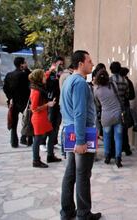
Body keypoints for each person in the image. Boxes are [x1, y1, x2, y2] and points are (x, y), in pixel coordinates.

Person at [59, 50, 101, 220]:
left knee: (71, 172)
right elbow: (80, 113)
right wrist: (81, 140)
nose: (92, 64)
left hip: (70, 130)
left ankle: (67, 211)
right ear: (81, 63)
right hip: (80, 133)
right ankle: (83, 213)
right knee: (82, 175)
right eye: (89, 61)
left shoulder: (69, 80)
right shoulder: (80, 83)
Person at [28, 69, 62, 168]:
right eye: (43, 76)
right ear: (39, 78)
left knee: (51, 134)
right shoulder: (36, 91)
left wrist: (51, 69)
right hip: (39, 118)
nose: (45, 78)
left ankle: (50, 156)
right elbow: (34, 108)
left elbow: (47, 75)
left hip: (43, 118)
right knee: (37, 140)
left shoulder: (38, 87)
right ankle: (36, 160)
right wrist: (48, 104)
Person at [93, 69, 123, 168]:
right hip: (117, 114)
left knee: (106, 137)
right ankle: (118, 158)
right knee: (118, 138)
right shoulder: (113, 85)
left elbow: (97, 103)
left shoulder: (96, 89)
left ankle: (107, 156)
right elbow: (118, 95)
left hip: (106, 116)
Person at [3, 57, 32, 148]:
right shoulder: (24, 75)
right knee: (27, 121)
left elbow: (5, 88)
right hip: (24, 102)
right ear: (21, 64)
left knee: (14, 122)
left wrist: (10, 98)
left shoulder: (9, 75)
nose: (26, 64)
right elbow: (31, 80)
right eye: (25, 63)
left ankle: (14, 142)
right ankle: (25, 139)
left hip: (13, 102)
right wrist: (27, 69)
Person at [110, 62, 133, 156]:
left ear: (111, 69)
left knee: (111, 131)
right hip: (122, 107)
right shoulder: (125, 81)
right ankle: (123, 151)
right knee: (122, 130)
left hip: (111, 108)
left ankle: (112, 152)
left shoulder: (109, 80)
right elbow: (127, 95)